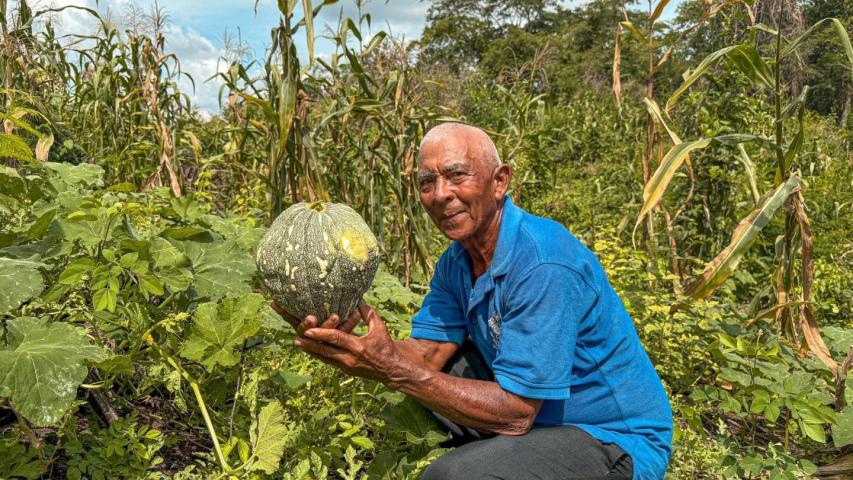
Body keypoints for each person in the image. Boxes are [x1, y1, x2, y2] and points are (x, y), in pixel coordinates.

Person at [273, 123, 673, 479]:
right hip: (542, 420)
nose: (440, 195)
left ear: (499, 181)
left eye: (456, 176)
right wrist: (356, 347)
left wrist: (393, 371)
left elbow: (517, 413)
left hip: (612, 439)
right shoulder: (458, 260)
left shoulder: (544, 262)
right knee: (446, 369)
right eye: (426, 182)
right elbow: (427, 355)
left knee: (451, 475)